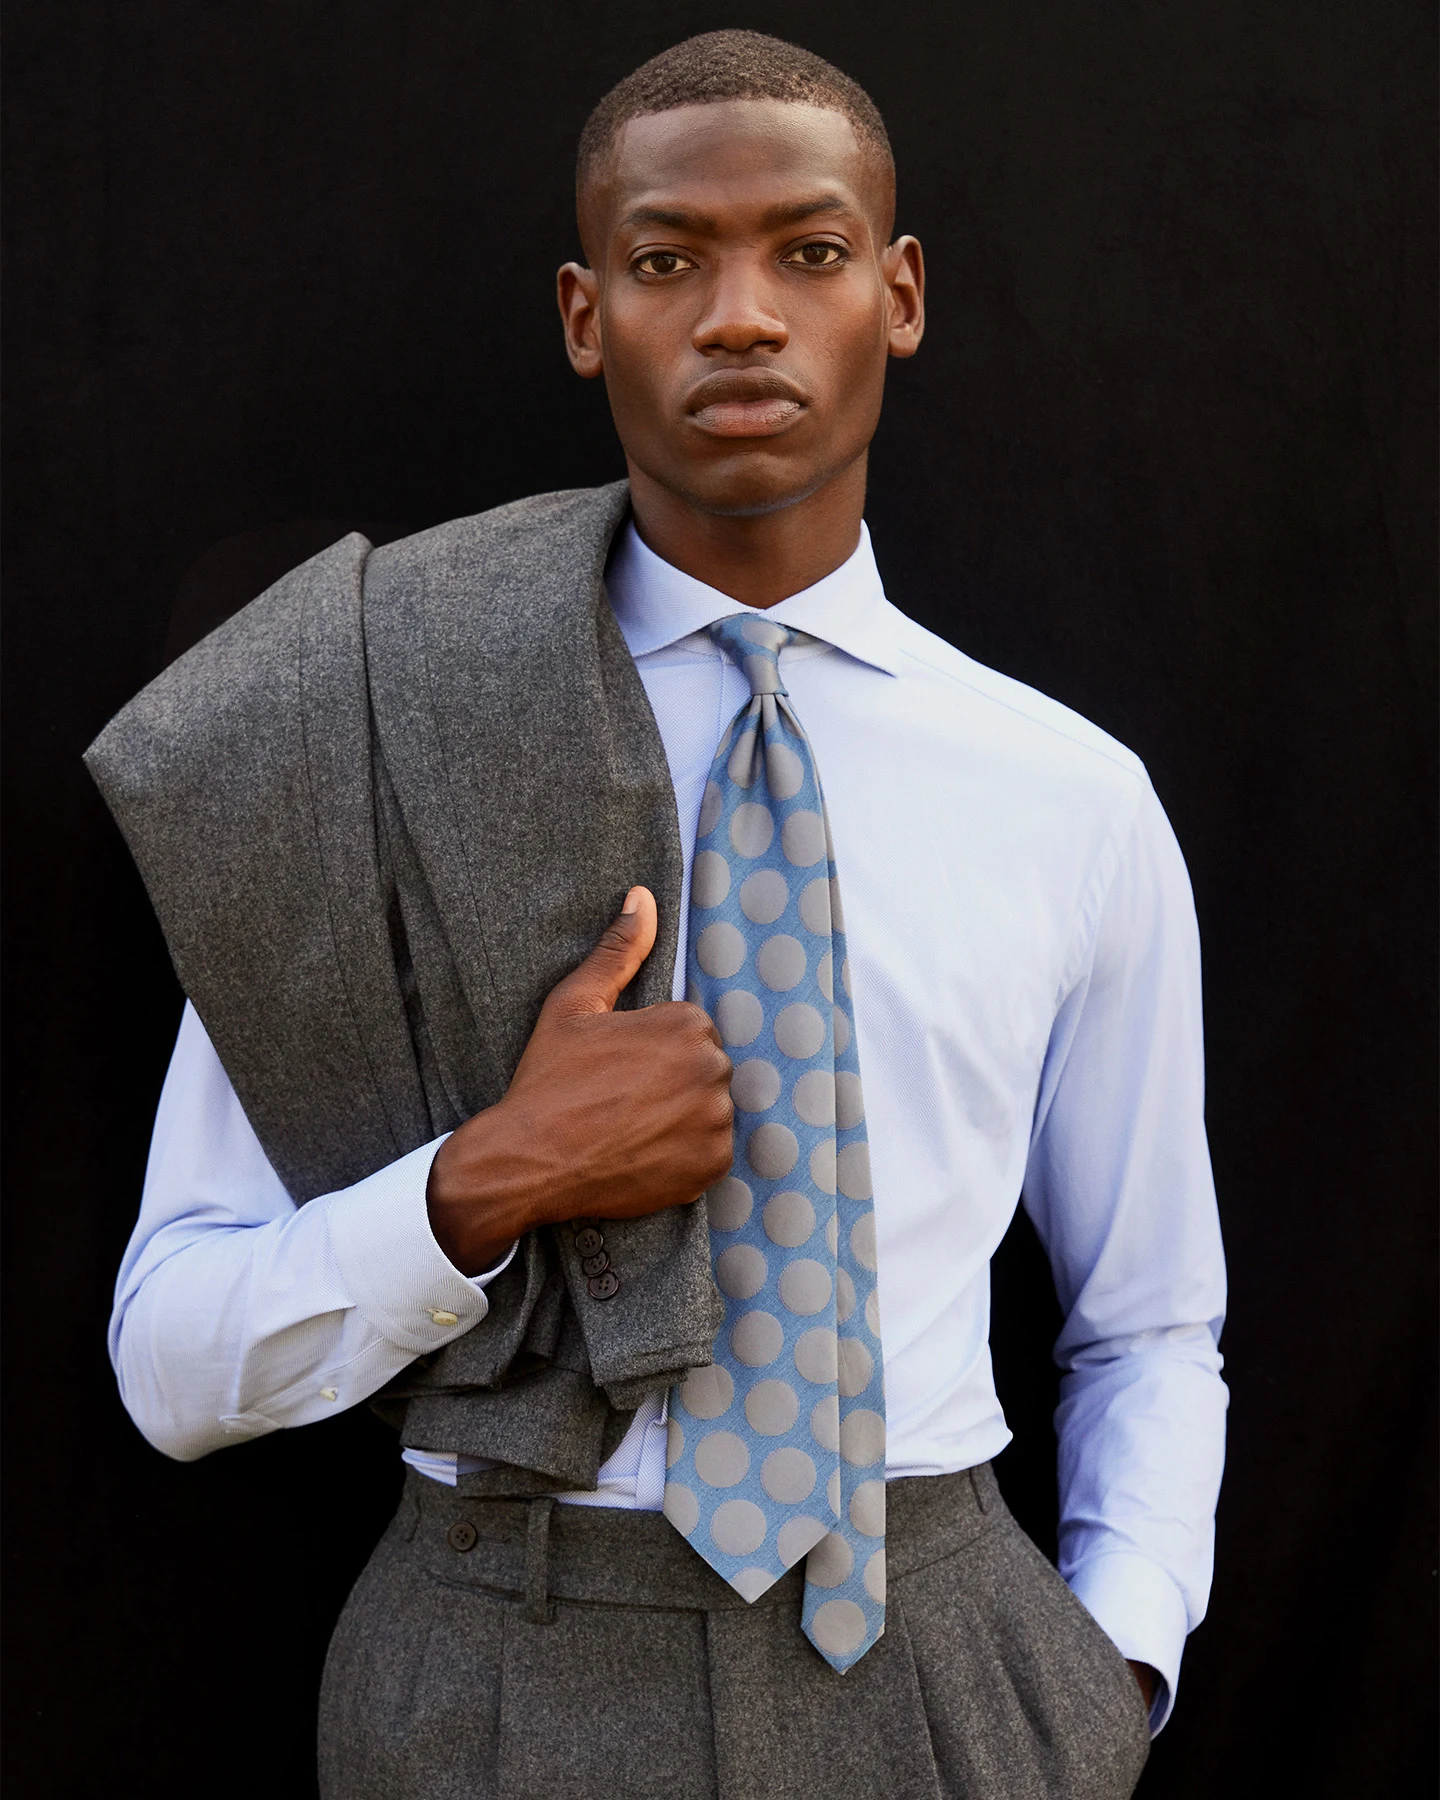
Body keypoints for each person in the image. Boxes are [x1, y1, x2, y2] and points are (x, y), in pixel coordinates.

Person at [88, 30, 1226, 1800]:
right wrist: (490, 1177)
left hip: (939, 1665)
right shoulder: (383, 734)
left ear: (900, 293)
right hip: (492, 1673)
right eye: (669, 260)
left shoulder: (1072, 799)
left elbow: (1148, 1321)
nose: (743, 315)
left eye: (812, 250)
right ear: (582, 311)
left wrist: (1111, 1668)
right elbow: (171, 1356)